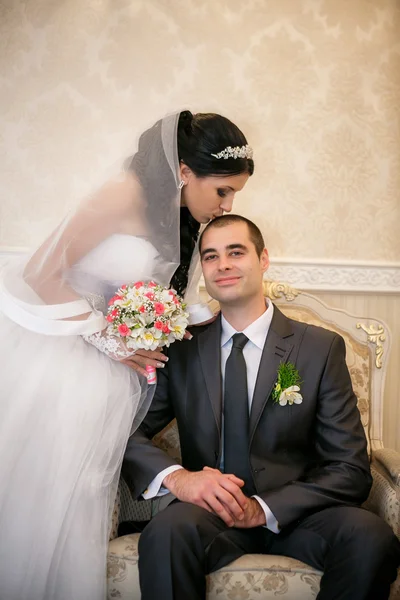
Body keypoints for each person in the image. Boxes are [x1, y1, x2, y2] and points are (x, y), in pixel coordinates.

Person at [0, 111, 254, 600]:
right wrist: (112, 342)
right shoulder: (123, 193)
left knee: (81, 505)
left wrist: (184, 317)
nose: (227, 205)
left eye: (234, 195)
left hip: (113, 383)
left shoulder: (180, 219)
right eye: (223, 190)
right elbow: (40, 273)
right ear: (185, 172)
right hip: (65, 368)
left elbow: (151, 301)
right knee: (45, 500)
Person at [122, 214, 400, 600]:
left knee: (372, 537)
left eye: (236, 252)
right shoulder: (181, 348)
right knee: (165, 533)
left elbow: (349, 468)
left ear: (263, 258)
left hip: (301, 515)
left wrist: (263, 507)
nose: (223, 265)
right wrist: (179, 478)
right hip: (209, 515)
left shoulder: (319, 348)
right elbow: (126, 429)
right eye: (211, 256)